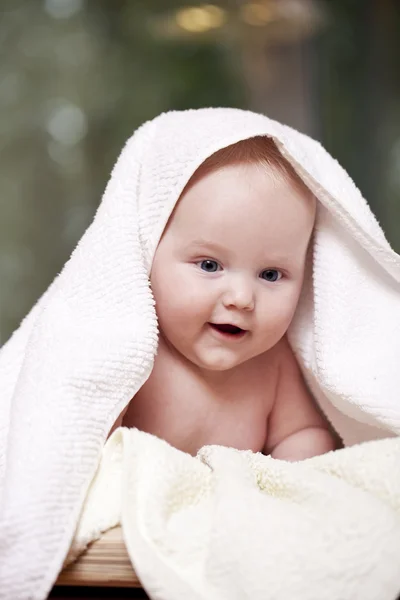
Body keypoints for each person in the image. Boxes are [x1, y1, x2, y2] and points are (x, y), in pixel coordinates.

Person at [116, 135, 337, 460]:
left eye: (270, 274)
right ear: (148, 252)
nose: (242, 298)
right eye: (209, 265)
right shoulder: (132, 351)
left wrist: (288, 482)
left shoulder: (273, 364)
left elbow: (302, 434)